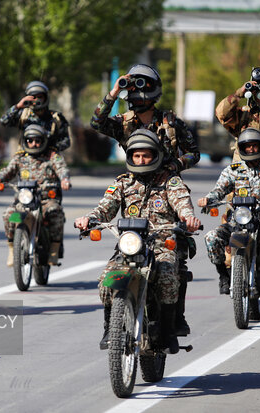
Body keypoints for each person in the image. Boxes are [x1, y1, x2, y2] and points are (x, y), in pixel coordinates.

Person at [90, 63, 201, 335]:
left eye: (144, 85)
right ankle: (112, 327)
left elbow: (193, 153)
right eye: (133, 85)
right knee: (110, 273)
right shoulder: (124, 122)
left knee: (174, 263)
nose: (138, 93)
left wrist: (173, 167)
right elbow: (97, 122)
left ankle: (173, 319)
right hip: (135, 190)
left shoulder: (170, 122)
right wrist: (115, 91)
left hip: (167, 190)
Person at [75, 129, 201, 354]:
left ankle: (168, 331)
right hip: (130, 244)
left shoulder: (169, 182)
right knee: (106, 280)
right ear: (130, 157)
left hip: (162, 242)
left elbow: (182, 203)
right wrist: (89, 219)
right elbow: (105, 208)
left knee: (167, 274)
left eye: (146, 156)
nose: (141, 160)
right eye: (136, 156)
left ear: (155, 156)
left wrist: (187, 217)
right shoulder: (122, 183)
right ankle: (109, 328)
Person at [198, 128, 260, 303]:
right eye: (247, 146)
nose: (251, 149)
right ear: (241, 148)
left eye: (254, 146)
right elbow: (218, 190)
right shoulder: (233, 170)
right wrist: (207, 199)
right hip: (237, 220)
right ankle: (224, 275)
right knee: (211, 238)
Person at [0, 124, 71, 267]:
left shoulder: (52, 156)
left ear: (43, 141)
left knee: (55, 212)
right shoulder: (20, 158)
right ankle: (12, 249)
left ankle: (54, 249)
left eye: (37, 140)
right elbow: (8, 170)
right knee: (8, 214)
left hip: (47, 199)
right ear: (25, 141)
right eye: (30, 140)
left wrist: (65, 179)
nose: (34, 144)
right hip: (24, 200)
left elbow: (61, 168)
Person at [0, 81, 70, 153]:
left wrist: (53, 149)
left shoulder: (56, 118)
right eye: (33, 97)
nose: (36, 100)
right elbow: (4, 121)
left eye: (40, 97)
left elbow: (66, 141)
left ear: (45, 98)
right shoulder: (23, 115)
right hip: (26, 158)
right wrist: (18, 106)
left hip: (48, 158)